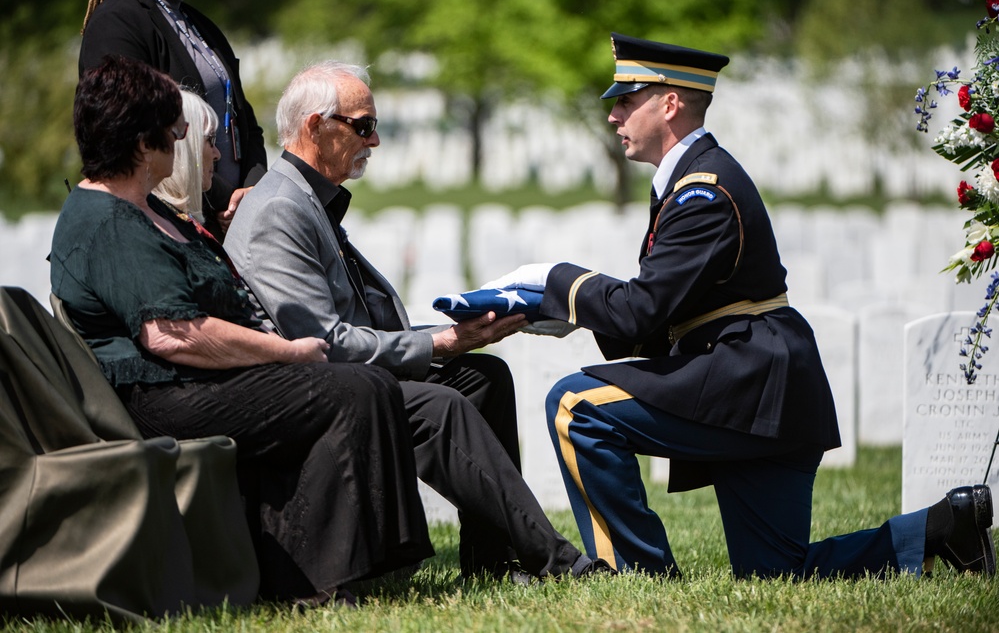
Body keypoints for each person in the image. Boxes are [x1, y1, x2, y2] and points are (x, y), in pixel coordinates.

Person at [482, 33, 996, 579]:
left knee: (576, 407)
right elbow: (667, 315)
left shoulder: (703, 191)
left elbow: (642, 311)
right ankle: (942, 528)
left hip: (748, 381)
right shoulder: (694, 181)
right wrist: (564, 316)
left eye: (626, 101)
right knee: (778, 572)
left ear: (670, 103)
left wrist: (554, 280)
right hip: (767, 388)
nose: (614, 116)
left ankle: (634, 572)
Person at [51, 55, 434, 606]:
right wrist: (285, 352)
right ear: (141, 142)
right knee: (352, 388)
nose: (191, 140)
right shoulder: (106, 220)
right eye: (177, 129)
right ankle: (317, 585)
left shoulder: (144, 208)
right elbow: (173, 334)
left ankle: (341, 569)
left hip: (188, 383)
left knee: (350, 386)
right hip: (161, 396)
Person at [224, 60, 608, 582]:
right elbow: (323, 341)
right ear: (315, 126)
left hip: (351, 373)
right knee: (442, 405)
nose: (375, 140)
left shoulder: (307, 198)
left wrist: (450, 337)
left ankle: (489, 564)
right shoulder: (278, 209)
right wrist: (439, 343)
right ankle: (556, 560)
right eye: (362, 125)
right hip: (319, 388)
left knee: (485, 378)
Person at [79, 0, 267, 240]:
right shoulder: (115, 24)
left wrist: (253, 188)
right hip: (166, 225)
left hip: (228, 219)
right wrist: (228, 201)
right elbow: (135, 139)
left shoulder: (200, 25)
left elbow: (245, 122)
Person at [153, 88, 221, 223]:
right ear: (183, 146)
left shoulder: (165, 216)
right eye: (210, 140)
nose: (217, 155)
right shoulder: (161, 223)